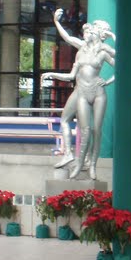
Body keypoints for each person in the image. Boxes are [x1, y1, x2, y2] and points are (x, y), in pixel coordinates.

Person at [42, 9, 115, 179]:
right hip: (82, 91)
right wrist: (57, 22)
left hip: (98, 92)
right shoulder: (80, 51)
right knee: (86, 129)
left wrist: (108, 81)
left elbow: (122, 62)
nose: (86, 33)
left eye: (90, 30)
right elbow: (68, 40)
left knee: (97, 130)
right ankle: (78, 161)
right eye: (86, 31)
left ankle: (92, 165)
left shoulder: (103, 50)